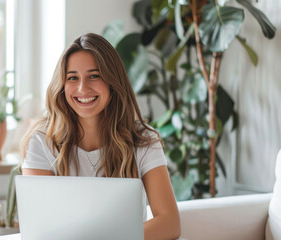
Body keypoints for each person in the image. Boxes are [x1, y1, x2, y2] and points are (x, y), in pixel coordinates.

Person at [20, 33, 181, 240]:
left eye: (94, 76)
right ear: (62, 85)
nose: (82, 88)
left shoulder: (143, 139)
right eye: (72, 78)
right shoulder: (42, 141)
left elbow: (170, 222)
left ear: (112, 81)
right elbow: (40, 229)